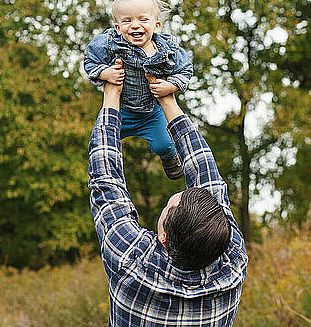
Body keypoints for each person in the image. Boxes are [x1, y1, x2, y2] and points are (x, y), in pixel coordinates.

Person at [87, 77, 248, 326]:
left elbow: (106, 182)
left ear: (163, 237)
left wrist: (111, 95)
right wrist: (166, 98)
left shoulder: (131, 261)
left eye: (172, 204)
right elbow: (206, 176)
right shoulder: (232, 265)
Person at [83, 0, 193, 180]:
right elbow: (90, 61)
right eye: (127, 21)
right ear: (117, 27)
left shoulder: (168, 49)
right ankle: (104, 171)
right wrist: (105, 74)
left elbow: (185, 70)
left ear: (156, 25)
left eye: (143, 20)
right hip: (121, 109)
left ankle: (170, 157)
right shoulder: (109, 43)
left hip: (151, 113)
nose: (135, 25)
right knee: (101, 139)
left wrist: (170, 86)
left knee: (165, 144)